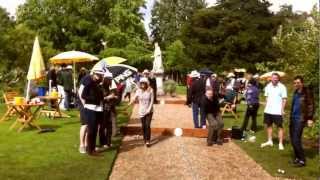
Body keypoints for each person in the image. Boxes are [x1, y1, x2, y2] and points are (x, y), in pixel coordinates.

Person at [78, 68, 105, 156]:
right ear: (93, 74)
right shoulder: (89, 83)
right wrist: (93, 99)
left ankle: (92, 148)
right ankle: (90, 150)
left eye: (100, 75)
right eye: (98, 75)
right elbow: (83, 95)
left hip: (98, 109)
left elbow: (100, 96)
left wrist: (101, 98)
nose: (99, 77)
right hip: (90, 108)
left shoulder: (98, 84)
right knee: (91, 130)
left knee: (95, 129)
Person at [289, 76, 315, 167]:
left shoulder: (307, 92)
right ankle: (297, 158)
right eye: (295, 83)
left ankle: (302, 160)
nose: (296, 84)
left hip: (301, 119)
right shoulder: (295, 92)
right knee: (292, 139)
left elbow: (311, 105)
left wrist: (310, 118)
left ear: (302, 83)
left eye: (298, 82)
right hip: (293, 118)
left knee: (296, 139)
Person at [261, 73, 287, 150]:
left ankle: (280, 143)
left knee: (280, 127)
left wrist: (282, 109)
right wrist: (266, 106)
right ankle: (269, 141)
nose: (275, 79)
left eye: (276, 78)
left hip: (277, 111)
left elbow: (284, 99)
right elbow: (266, 97)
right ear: (271, 78)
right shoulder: (268, 86)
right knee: (269, 125)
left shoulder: (282, 87)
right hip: (268, 110)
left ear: (278, 79)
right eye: (273, 78)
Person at [128, 77, 154, 147]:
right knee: (143, 126)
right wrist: (130, 102)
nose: (142, 84)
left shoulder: (150, 90)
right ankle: (145, 139)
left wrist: (149, 109)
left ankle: (148, 141)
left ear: (146, 84)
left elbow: (152, 101)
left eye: (144, 83)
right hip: (141, 111)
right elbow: (134, 98)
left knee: (147, 125)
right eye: (141, 83)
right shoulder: (138, 91)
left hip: (149, 111)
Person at [98, 71, 116, 150]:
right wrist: (108, 97)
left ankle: (108, 142)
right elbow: (99, 99)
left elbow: (110, 97)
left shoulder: (108, 87)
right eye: (109, 79)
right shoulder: (100, 87)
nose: (110, 81)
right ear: (105, 79)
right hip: (102, 110)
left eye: (111, 80)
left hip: (109, 109)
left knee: (109, 126)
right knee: (103, 126)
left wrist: (114, 97)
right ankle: (102, 143)